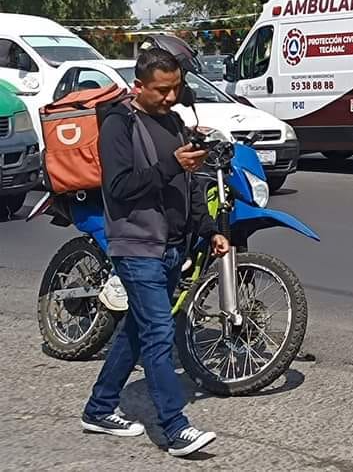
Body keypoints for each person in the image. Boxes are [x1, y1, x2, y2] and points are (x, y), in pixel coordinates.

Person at [81, 48, 227, 457]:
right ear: (139, 86)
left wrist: (210, 229)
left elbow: (190, 186)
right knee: (159, 335)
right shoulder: (119, 124)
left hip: (169, 246)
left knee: (136, 331)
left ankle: (99, 408)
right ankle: (175, 427)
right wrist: (171, 166)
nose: (170, 97)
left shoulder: (175, 122)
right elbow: (120, 188)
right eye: (162, 90)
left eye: (176, 88)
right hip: (136, 244)